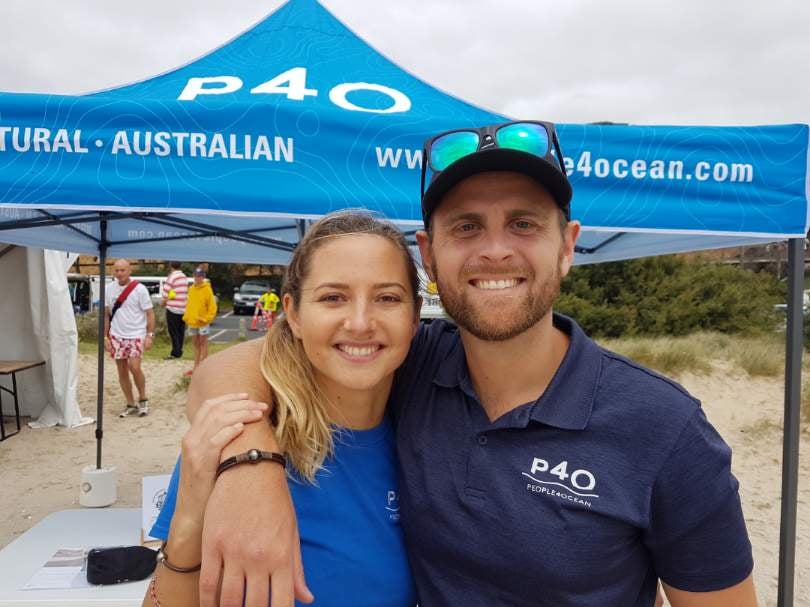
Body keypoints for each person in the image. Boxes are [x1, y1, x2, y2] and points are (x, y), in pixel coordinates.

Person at [192, 121, 757, 606]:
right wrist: (252, 463)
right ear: (430, 254)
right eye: (466, 227)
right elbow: (243, 363)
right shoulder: (408, 363)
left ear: (566, 247)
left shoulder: (665, 428)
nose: (494, 250)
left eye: (524, 223)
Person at [142, 212, 420, 607]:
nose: (360, 323)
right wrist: (187, 526)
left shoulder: (427, 435)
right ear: (293, 314)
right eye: (333, 297)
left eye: (387, 298)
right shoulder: (235, 439)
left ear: (414, 317)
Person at [104, 258, 155, 418]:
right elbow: (106, 315)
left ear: (129, 271)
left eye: (122, 270)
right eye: (117, 270)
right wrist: (105, 337)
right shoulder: (108, 289)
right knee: (122, 370)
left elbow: (150, 313)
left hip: (136, 334)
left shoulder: (140, 289)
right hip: (117, 334)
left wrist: (149, 335)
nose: (119, 273)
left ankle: (143, 398)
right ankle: (130, 403)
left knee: (135, 367)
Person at [182, 267, 217, 376]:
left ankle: (204, 366)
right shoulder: (191, 289)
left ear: (203, 277)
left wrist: (207, 318)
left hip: (203, 322)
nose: (198, 278)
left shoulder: (207, 289)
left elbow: (212, 306)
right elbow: (190, 304)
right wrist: (187, 317)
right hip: (193, 321)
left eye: (200, 276)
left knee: (203, 343)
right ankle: (196, 366)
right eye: (196, 276)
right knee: (195, 343)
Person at [160, 261, 188, 359]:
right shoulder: (184, 277)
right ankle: (179, 350)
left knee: (173, 331)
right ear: (181, 266)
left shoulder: (171, 277)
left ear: (171, 266)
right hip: (183, 308)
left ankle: (175, 352)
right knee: (180, 331)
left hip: (173, 308)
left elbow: (165, 293)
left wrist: (162, 304)